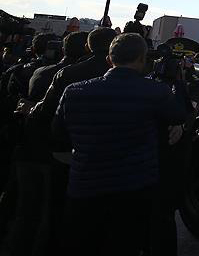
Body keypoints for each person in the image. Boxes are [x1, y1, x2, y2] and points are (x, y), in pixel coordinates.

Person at [52, 33, 187, 256]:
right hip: (134, 192)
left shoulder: (74, 91)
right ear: (143, 60)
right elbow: (178, 116)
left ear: (108, 60)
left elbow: (58, 135)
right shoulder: (156, 92)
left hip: (83, 189)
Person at [7, 31, 88, 255]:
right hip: (55, 154)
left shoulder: (36, 72)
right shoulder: (76, 78)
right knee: (49, 215)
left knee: (25, 212)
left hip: (27, 149)